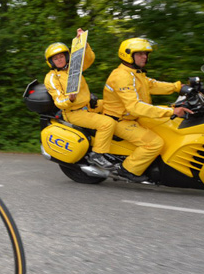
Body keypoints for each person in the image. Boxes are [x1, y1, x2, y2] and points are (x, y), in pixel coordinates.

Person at [102, 38, 192, 182]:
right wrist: (171, 111)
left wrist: (178, 87)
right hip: (120, 120)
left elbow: (152, 85)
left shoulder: (135, 73)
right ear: (128, 55)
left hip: (133, 117)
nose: (145, 57)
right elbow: (134, 106)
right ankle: (126, 170)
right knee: (154, 143)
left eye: (145, 54)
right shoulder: (121, 76)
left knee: (167, 125)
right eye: (140, 54)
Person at [43, 29, 116, 169]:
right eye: (55, 58)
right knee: (107, 123)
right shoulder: (51, 77)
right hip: (74, 112)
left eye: (61, 56)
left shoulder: (74, 67)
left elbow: (89, 59)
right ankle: (98, 154)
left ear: (67, 56)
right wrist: (69, 99)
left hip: (89, 105)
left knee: (115, 105)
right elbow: (58, 101)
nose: (59, 60)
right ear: (51, 62)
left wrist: (84, 42)